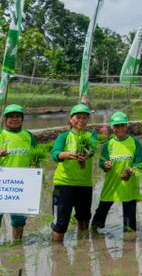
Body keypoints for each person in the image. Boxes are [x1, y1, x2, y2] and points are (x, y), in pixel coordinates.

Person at [50, 103, 98, 242]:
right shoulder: (64, 136)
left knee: (83, 218)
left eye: (84, 117)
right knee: (60, 222)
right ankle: (57, 255)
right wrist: (65, 155)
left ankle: (82, 252)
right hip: (63, 184)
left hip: (84, 184)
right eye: (78, 117)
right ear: (71, 119)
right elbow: (54, 154)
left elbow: (92, 149)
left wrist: (86, 155)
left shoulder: (91, 135)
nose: (81, 120)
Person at [92, 112, 142, 233]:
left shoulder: (134, 142)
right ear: (112, 127)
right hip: (111, 183)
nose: (120, 128)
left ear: (126, 126)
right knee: (102, 210)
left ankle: (129, 244)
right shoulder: (108, 144)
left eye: (122, 125)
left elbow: (140, 161)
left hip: (128, 183)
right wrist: (105, 165)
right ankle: (93, 234)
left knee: (129, 225)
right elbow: (102, 163)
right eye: (117, 126)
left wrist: (132, 169)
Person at [0, 104, 37, 241]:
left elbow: (36, 156)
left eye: (17, 116)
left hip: (21, 183)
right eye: (11, 116)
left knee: (19, 219)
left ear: (22, 119)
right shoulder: (1, 135)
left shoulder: (28, 136)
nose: (14, 119)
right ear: (5, 119)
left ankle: (16, 246)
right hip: (2, 183)